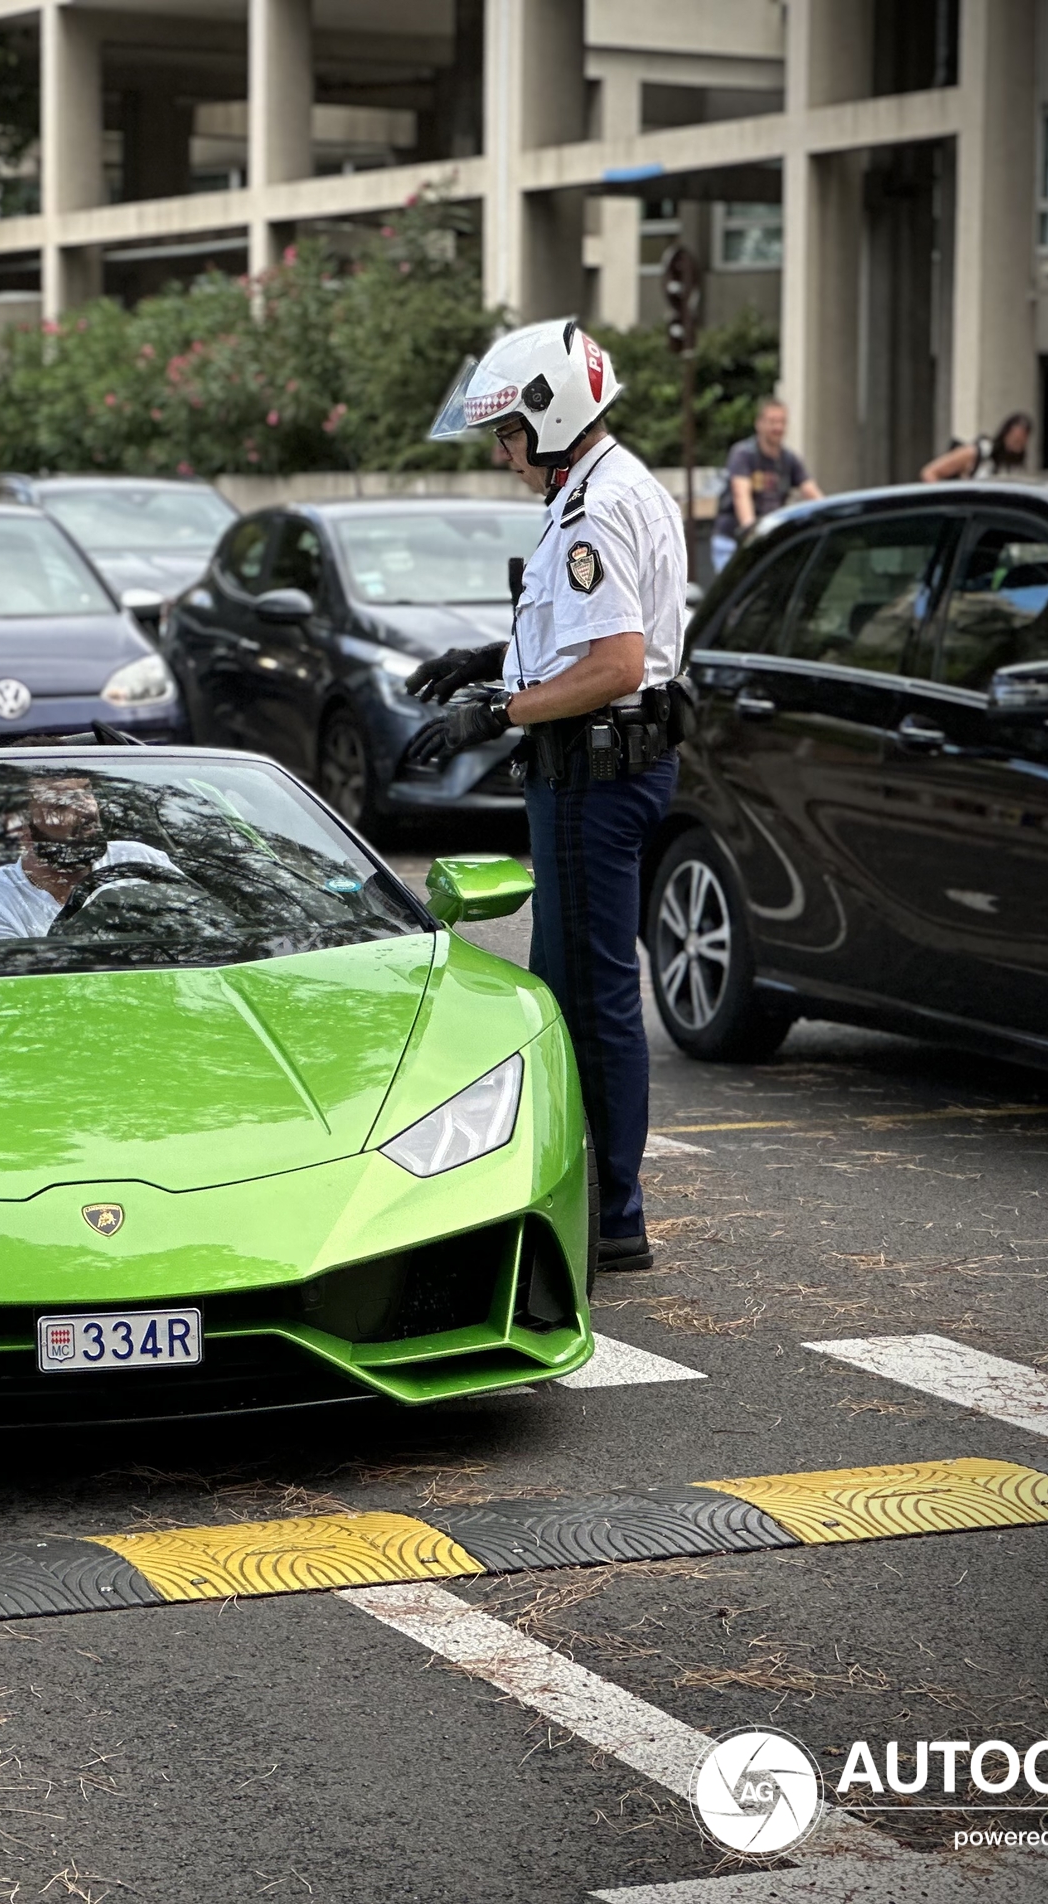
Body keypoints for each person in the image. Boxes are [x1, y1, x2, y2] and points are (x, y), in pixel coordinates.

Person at [405, 318, 691, 1274]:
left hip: (592, 780)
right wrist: (489, 660)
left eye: (508, 434)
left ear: (551, 415)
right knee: (587, 989)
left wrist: (500, 714)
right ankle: (606, 1203)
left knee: (586, 997)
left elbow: (613, 663)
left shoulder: (590, 513)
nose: (501, 452)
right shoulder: (616, 486)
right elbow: (612, 635)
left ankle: (613, 1214)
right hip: (617, 771)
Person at [0, 774, 178, 942]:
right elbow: (18, 994)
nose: (89, 809)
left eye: (88, 791)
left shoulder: (142, 861)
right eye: (62, 803)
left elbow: (201, 927)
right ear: (20, 826)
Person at [715, 398, 822, 570]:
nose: (777, 428)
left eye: (782, 422)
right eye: (772, 422)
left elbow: (812, 493)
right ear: (759, 424)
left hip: (768, 542)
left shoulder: (789, 459)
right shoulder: (743, 455)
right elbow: (741, 495)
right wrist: (752, 535)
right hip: (735, 541)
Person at [921, 411, 1033, 482]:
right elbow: (930, 472)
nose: (1016, 445)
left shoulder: (1011, 466)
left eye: (1021, 441)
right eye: (1014, 439)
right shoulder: (975, 453)